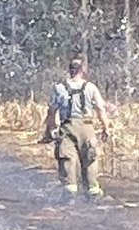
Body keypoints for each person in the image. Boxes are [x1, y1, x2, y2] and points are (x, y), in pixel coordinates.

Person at [41, 56, 110, 198]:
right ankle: (93, 193)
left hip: (67, 128)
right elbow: (100, 109)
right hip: (87, 127)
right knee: (89, 158)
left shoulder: (59, 88)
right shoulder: (91, 87)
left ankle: (69, 193)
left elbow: (52, 112)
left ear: (70, 70)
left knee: (67, 158)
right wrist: (105, 128)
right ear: (83, 71)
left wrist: (48, 131)